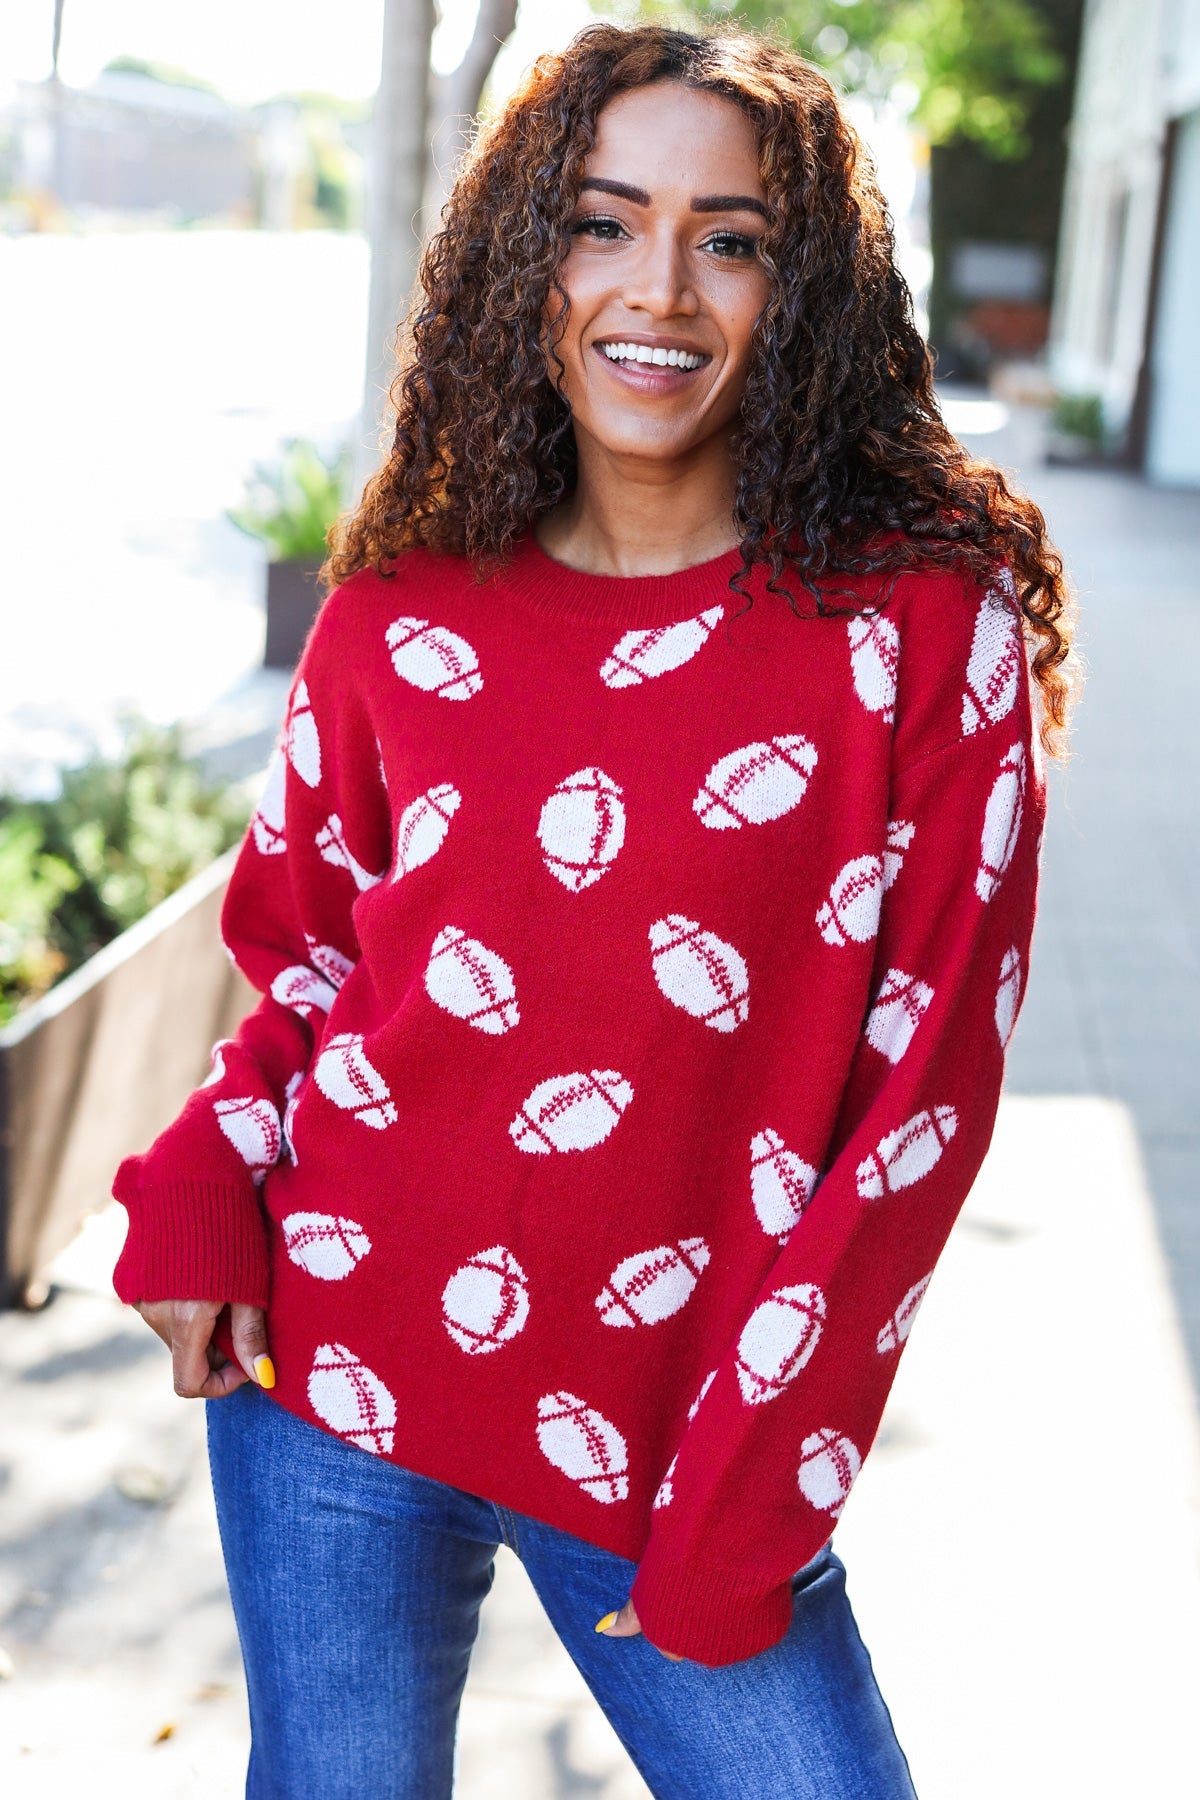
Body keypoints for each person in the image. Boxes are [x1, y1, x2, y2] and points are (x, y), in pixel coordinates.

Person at [110, 21, 1074, 1798]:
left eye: (731, 238)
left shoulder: (920, 631)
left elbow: (925, 1091)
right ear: (521, 257)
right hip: (330, 1370)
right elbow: (311, 953)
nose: (662, 290)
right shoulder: (402, 599)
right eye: (604, 222)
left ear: (808, 290)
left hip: (679, 1434)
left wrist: (756, 1479)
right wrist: (202, 1166)